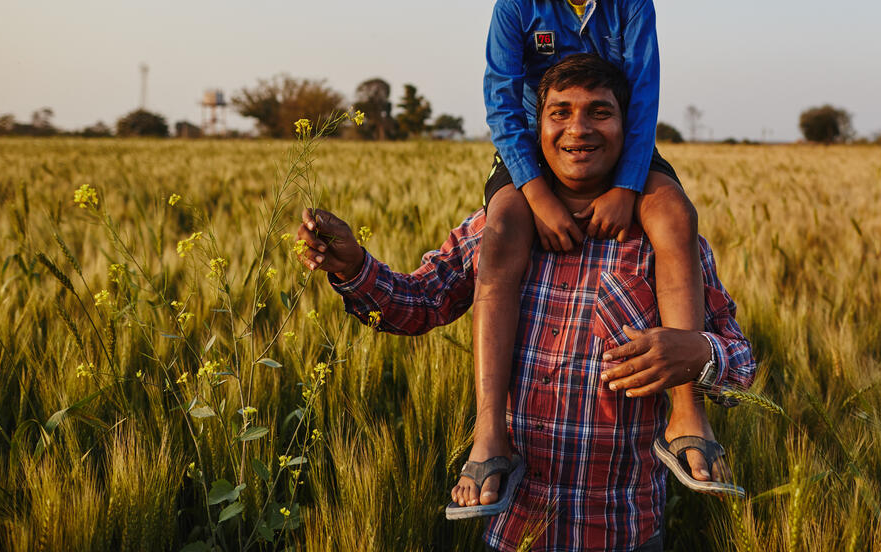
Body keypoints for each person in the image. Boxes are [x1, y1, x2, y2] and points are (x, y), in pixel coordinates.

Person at [297, 55, 755, 552]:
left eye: (600, 112)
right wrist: (351, 266)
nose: (577, 128)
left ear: (630, 129)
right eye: (559, 112)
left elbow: (743, 364)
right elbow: (419, 304)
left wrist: (700, 353)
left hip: (624, 530)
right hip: (513, 530)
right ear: (537, 129)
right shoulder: (498, 229)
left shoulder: (667, 243)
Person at [470, 0, 719, 512]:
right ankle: (489, 431)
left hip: (620, 146)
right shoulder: (515, 6)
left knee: (676, 218)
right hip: (534, 151)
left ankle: (686, 412)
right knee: (498, 236)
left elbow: (645, 90)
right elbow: (501, 103)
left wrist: (630, 187)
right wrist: (537, 194)